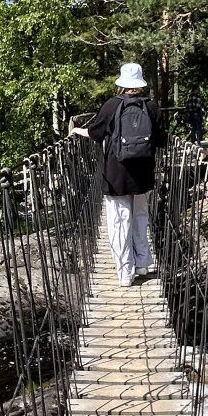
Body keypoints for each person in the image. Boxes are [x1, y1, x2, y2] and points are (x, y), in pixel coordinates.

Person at [70, 62, 167, 287]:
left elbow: (95, 133)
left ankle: (125, 273)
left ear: (122, 84)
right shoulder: (151, 107)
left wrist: (77, 130)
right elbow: (162, 140)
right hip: (144, 173)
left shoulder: (112, 105)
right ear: (140, 83)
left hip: (117, 175)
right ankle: (143, 263)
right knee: (141, 217)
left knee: (119, 221)